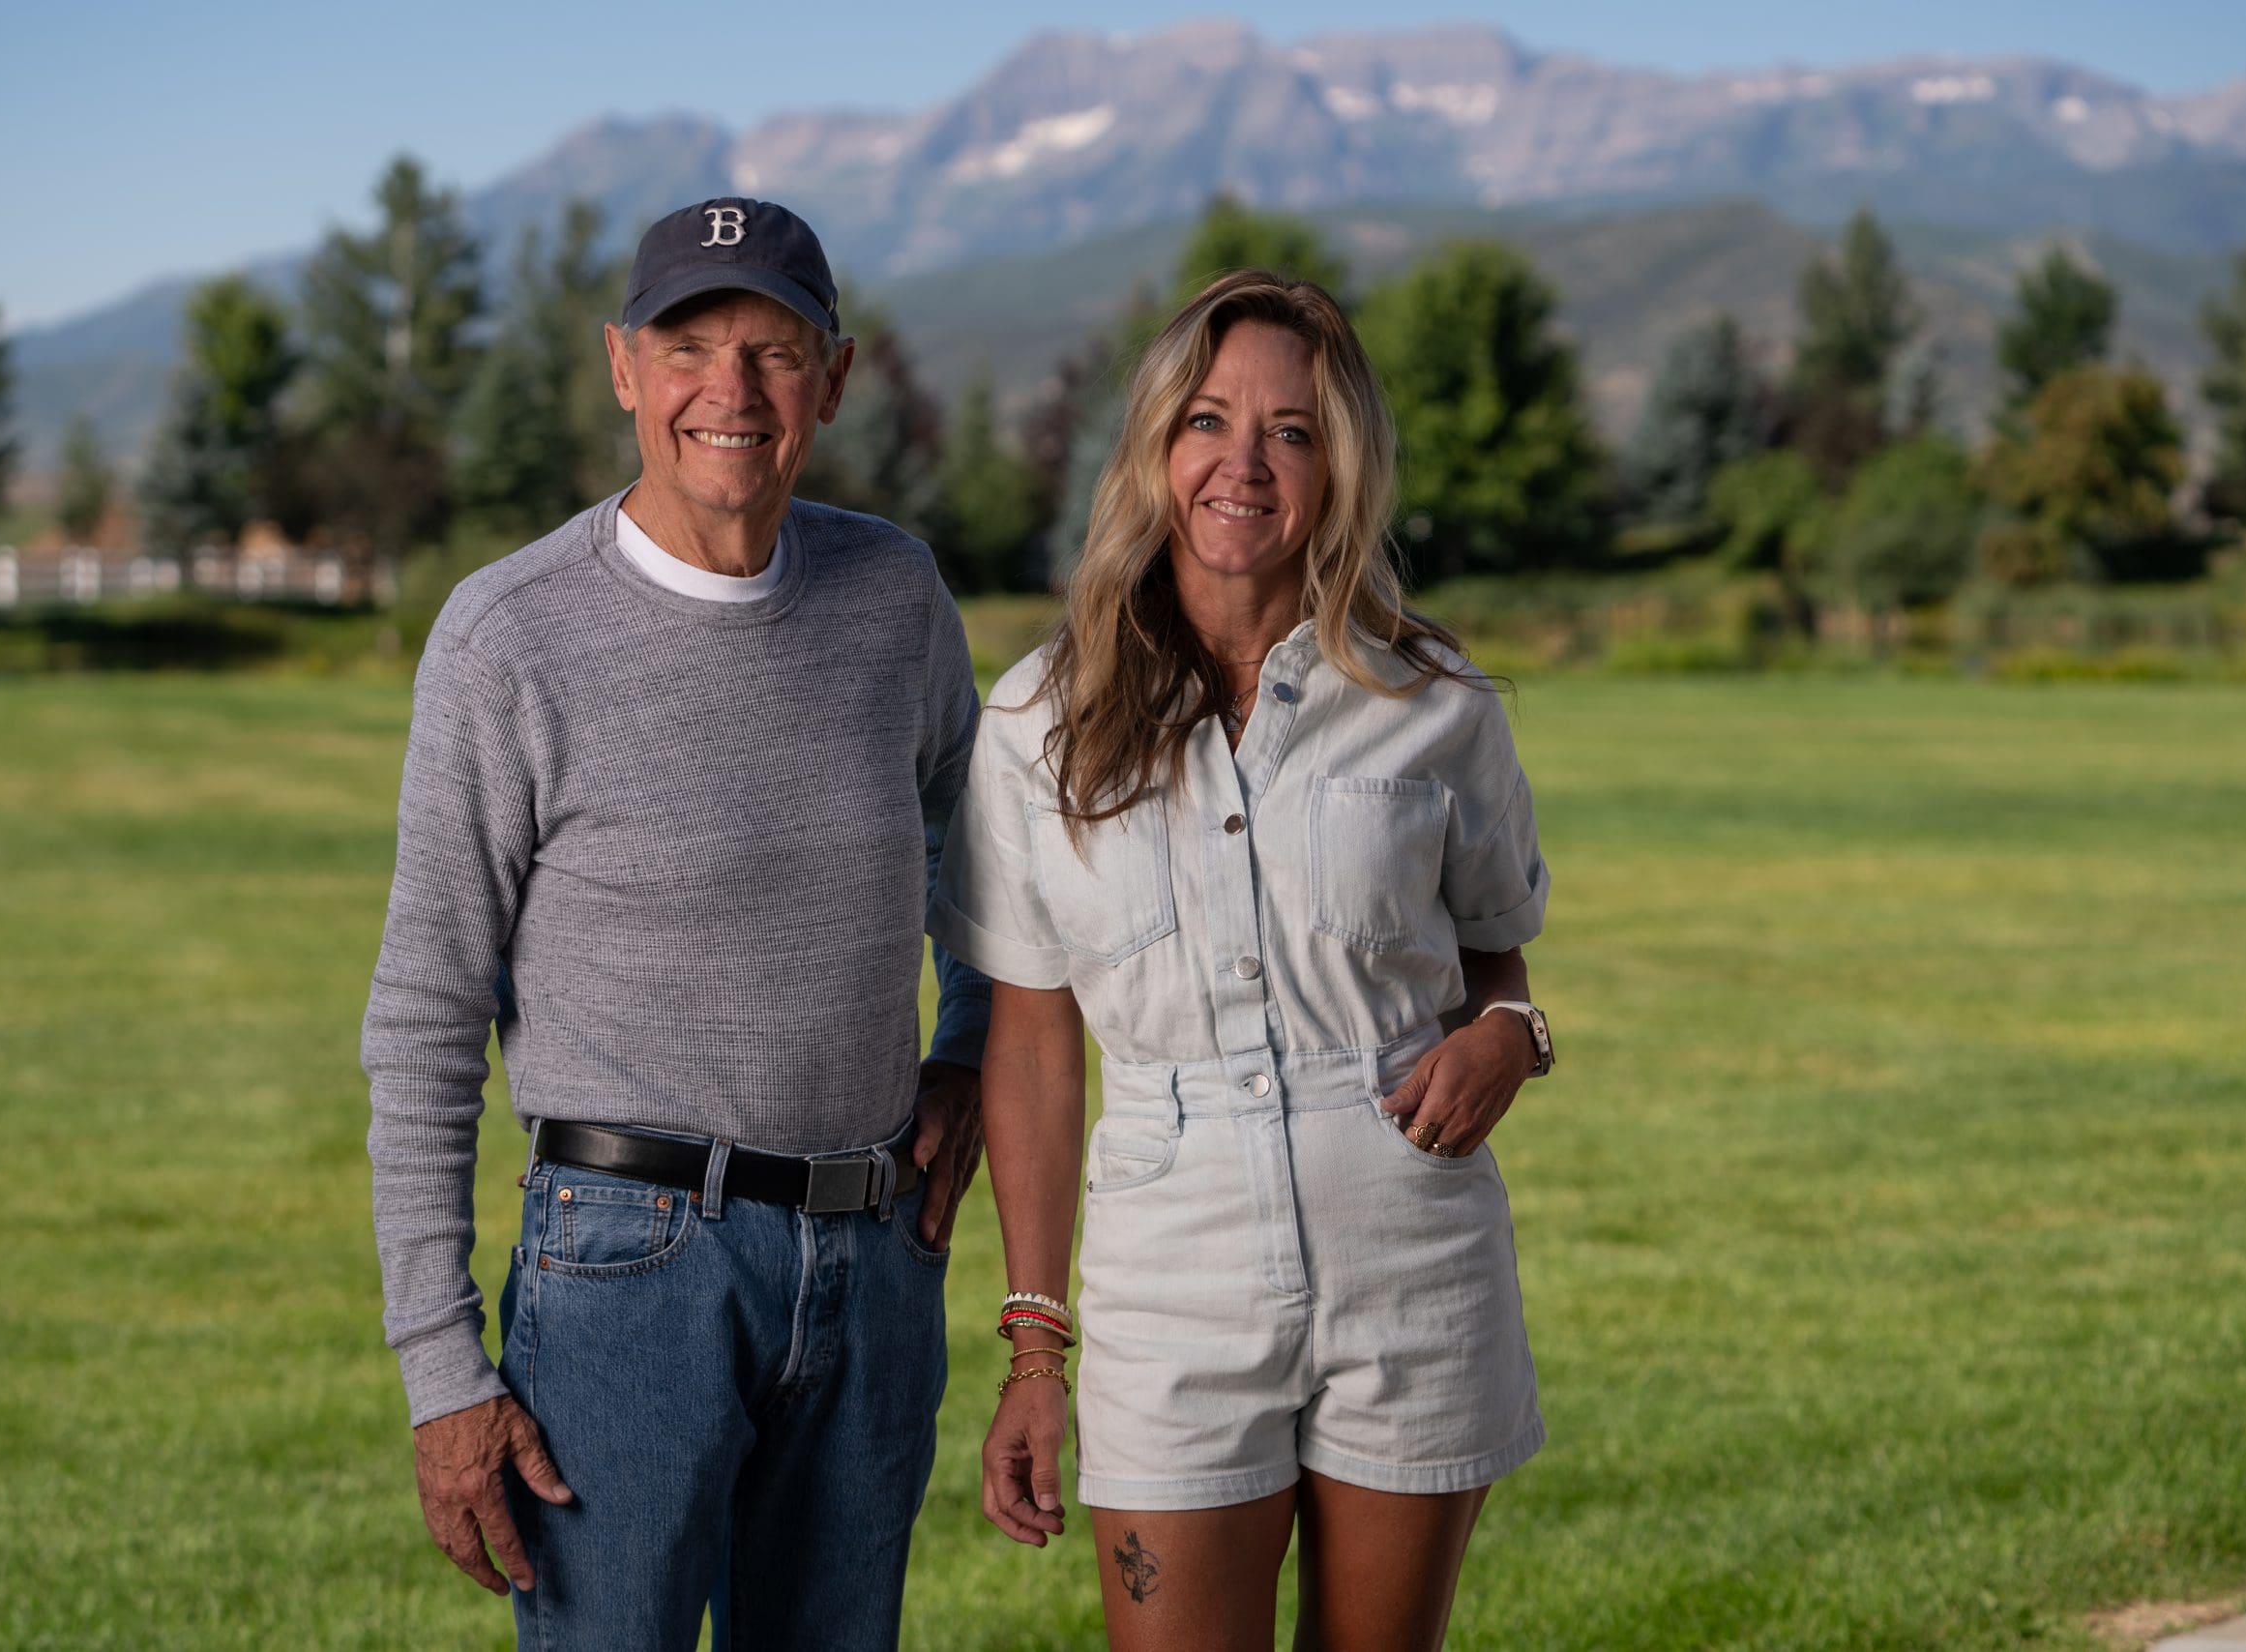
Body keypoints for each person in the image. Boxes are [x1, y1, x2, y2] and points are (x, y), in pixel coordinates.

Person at [361, 196, 989, 1650]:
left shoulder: (894, 594)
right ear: (622, 368)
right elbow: (426, 1015)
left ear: (834, 380)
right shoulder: (508, 634)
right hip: (624, 1272)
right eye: (689, 345)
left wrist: (963, 1041)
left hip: (871, 1250)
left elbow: (991, 860)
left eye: (774, 350)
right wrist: (442, 1370)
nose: (733, 390)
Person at [932, 270, 1557, 1652]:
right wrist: (1038, 1345)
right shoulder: (1040, 720)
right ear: (1156, 448)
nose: (1244, 462)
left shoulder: (1435, 705)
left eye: (1293, 430)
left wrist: (1514, 1034)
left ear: (1342, 466)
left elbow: (1496, 970)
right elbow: (1031, 1039)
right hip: (1171, 1266)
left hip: (1410, 1246)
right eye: (1208, 420)